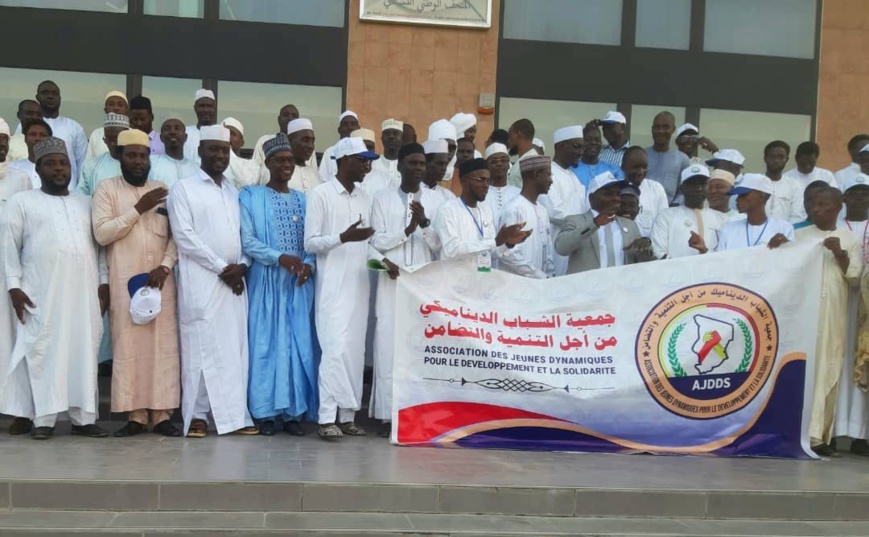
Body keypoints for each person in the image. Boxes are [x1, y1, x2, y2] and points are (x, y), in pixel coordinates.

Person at [1, 137, 109, 440]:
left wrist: (103, 281)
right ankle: (44, 420)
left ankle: (83, 418)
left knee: (83, 350)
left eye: (63, 163)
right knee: (43, 349)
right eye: (51, 163)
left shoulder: (85, 203)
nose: (59, 168)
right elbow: (10, 247)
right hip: (41, 292)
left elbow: (99, 249)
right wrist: (14, 287)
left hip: (84, 292)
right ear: (38, 168)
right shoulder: (23, 201)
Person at [167, 125, 257, 438]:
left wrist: (242, 266)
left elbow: (245, 235)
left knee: (233, 349)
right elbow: (185, 237)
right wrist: (223, 267)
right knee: (201, 349)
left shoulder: (234, 191)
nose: (220, 155)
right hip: (203, 281)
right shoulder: (184, 188)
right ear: (200, 151)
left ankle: (234, 416)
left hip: (234, 283)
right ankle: (199, 416)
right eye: (213, 150)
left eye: (224, 150)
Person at [91, 129, 181, 438]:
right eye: (131, 155)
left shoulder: (163, 190)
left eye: (143, 156)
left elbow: (176, 237)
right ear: (120, 158)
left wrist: (165, 266)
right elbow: (102, 234)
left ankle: (162, 413)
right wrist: (138, 208)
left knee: (163, 347)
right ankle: (136, 414)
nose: (138, 161)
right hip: (123, 280)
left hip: (161, 281)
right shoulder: (107, 190)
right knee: (129, 346)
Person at [240, 134, 318, 437]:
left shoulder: (304, 199)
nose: (286, 165)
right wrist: (278, 258)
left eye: (289, 160)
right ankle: (265, 413)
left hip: (298, 284)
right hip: (266, 281)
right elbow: (247, 241)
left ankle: (293, 413)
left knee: (296, 345)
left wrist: (308, 263)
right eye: (279, 160)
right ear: (267, 162)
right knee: (265, 344)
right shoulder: (249, 195)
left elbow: (312, 240)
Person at [304, 137, 379, 440]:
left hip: (359, 286)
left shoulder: (366, 197)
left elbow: (370, 243)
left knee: (354, 352)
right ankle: (325, 419)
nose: (367, 165)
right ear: (345, 159)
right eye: (362, 159)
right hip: (332, 288)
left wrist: (385, 263)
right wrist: (342, 238)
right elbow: (310, 242)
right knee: (333, 352)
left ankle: (347, 416)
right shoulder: (321, 194)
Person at [369, 143, 440, 436]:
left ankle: (416, 412)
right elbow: (376, 241)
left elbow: (438, 246)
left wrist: (423, 222)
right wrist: (407, 230)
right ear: (399, 166)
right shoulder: (382, 199)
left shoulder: (436, 201)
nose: (418, 169)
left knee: (417, 348)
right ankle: (388, 416)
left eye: (422, 164)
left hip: (421, 284)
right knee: (387, 347)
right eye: (412, 163)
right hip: (391, 279)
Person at [795, 187, 862, 457]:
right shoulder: (799, 236)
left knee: (828, 370)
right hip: (804, 315)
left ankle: (819, 436)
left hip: (833, 316)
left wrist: (840, 254)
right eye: (814, 204)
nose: (816, 209)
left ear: (837, 208)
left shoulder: (849, 238)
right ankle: (799, 433)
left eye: (823, 205)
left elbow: (855, 277)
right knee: (805, 371)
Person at [434, 158, 530, 267]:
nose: (486, 185)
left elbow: (489, 252)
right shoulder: (448, 209)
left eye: (488, 180)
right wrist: (494, 242)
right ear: (464, 181)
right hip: (457, 281)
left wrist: (507, 243)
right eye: (481, 179)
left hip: (481, 280)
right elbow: (452, 250)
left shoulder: (486, 211)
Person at [0, 119, 32, 437]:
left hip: (11, 277)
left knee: (15, 343)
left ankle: (20, 411)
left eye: (4, 140)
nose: (1, 145)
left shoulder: (21, 180)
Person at [834, 173, 869, 456]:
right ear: (844, 198)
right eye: (854, 193)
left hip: (867, 306)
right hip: (840, 301)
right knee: (839, 361)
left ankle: (861, 435)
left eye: (865, 193)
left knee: (863, 365)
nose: (860, 198)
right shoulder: (834, 227)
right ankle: (833, 430)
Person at [555, 172, 650, 274]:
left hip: (621, 288)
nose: (616, 198)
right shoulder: (576, 221)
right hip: (587, 288)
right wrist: (594, 224)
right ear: (591, 198)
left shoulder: (630, 225)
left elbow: (640, 260)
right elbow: (561, 248)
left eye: (618, 194)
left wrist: (645, 249)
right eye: (608, 194)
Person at [690, 174, 794, 253]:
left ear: (761, 196)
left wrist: (785, 247)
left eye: (743, 195)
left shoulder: (783, 228)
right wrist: (704, 249)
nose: (737, 199)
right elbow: (721, 264)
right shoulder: (729, 229)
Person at [540, 126, 588, 277]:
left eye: (582, 148)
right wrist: (583, 227)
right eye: (576, 147)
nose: (581, 152)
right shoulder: (549, 174)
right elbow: (555, 212)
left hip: (577, 244)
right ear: (560, 146)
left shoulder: (573, 176)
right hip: (557, 244)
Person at [650, 165, 724, 259]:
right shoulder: (666, 216)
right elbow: (658, 252)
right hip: (675, 272)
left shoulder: (721, 219)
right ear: (681, 188)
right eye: (692, 184)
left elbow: (725, 255)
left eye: (702, 183)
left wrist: (705, 251)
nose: (698, 188)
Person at [499, 156, 554, 279]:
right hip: (518, 286)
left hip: (541, 287)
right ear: (536, 174)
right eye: (548, 175)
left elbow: (548, 250)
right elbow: (507, 253)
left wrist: (550, 276)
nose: (551, 180)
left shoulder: (543, 210)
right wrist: (537, 275)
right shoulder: (513, 208)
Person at [34, 81, 88, 187]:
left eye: (54, 93)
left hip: (68, 192)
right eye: (45, 93)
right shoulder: (27, 127)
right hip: (34, 190)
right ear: (38, 97)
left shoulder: (75, 127)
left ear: (60, 98)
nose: (50, 96)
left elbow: (83, 164)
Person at [251, 104, 317, 171]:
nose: (290, 118)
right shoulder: (264, 141)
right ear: (279, 120)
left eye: (294, 116)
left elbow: (313, 171)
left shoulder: (307, 146)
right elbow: (255, 170)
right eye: (286, 115)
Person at [77, 113, 129, 196]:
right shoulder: (91, 166)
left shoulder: (138, 166)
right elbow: (81, 197)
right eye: (108, 139)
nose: (112, 144)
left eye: (116, 139)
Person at [622, 146, 668, 237]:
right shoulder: (614, 190)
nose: (640, 172)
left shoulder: (656, 190)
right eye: (635, 167)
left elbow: (663, 225)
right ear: (623, 167)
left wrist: (648, 241)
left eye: (644, 167)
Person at [645, 111, 690, 206]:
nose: (661, 131)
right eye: (657, 127)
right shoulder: (642, 155)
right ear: (652, 129)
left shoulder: (682, 159)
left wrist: (673, 208)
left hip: (670, 212)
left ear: (673, 129)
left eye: (666, 127)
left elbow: (683, 191)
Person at [148, 118, 198, 188]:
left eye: (177, 128)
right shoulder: (151, 163)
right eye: (167, 129)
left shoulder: (196, 168)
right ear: (161, 138)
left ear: (185, 137)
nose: (172, 132)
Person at [571, 122, 622, 191]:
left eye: (597, 140)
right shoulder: (571, 170)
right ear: (582, 143)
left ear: (601, 143)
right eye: (589, 140)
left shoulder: (614, 170)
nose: (593, 143)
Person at [763, 140, 805, 223]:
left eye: (781, 157)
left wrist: (783, 230)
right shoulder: (755, 183)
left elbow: (797, 216)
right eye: (772, 156)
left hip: (784, 234)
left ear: (787, 159)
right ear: (765, 159)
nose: (776, 160)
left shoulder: (794, 185)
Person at [351, 129, 398, 195]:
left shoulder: (386, 180)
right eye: (362, 147)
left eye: (369, 147)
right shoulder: (345, 179)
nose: (366, 151)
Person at [8, 119, 52, 189]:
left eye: (42, 135)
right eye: (33, 134)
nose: (37, 138)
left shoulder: (56, 170)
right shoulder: (12, 168)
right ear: (25, 139)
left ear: (50, 140)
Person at [318, 110, 359, 183]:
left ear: (358, 128)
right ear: (339, 130)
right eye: (345, 124)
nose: (349, 127)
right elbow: (322, 180)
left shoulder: (363, 152)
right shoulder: (329, 152)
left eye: (353, 124)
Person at [86, 91, 129, 159]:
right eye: (111, 104)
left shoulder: (134, 134)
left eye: (120, 105)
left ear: (127, 110)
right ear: (105, 110)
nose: (116, 108)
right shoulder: (96, 134)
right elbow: (89, 161)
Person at [421, 139, 456, 218]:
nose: (444, 168)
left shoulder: (449, 196)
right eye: (440, 164)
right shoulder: (411, 192)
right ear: (425, 163)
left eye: (445, 164)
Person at [484, 143, 520, 218]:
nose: (499, 164)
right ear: (487, 165)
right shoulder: (482, 193)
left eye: (503, 160)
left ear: (508, 165)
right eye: (494, 161)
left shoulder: (518, 193)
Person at [284, 118, 320, 193]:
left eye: (312, 141)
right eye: (305, 140)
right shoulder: (279, 174)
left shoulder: (315, 176)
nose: (310, 146)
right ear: (289, 141)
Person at [221, 117, 258, 189]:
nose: (228, 136)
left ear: (242, 142)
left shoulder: (252, 165)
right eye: (225, 132)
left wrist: (226, 148)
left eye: (232, 133)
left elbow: (246, 182)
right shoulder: (214, 164)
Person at [183, 89, 216, 162]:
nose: (205, 110)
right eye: (202, 106)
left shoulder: (221, 133)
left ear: (214, 108)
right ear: (195, 108)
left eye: (209, 106)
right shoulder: (185, 132)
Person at [506, 119, 537, 188]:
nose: (508, 141)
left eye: (510, 135)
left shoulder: (530, 162)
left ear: (519, 134)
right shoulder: (524, 160)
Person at [372, 119, 404, 183]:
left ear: (402, 139)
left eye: (395, 133)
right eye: (387, 133)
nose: (391, 137)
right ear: (382, 139)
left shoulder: (406, 164)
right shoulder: (373, 163)